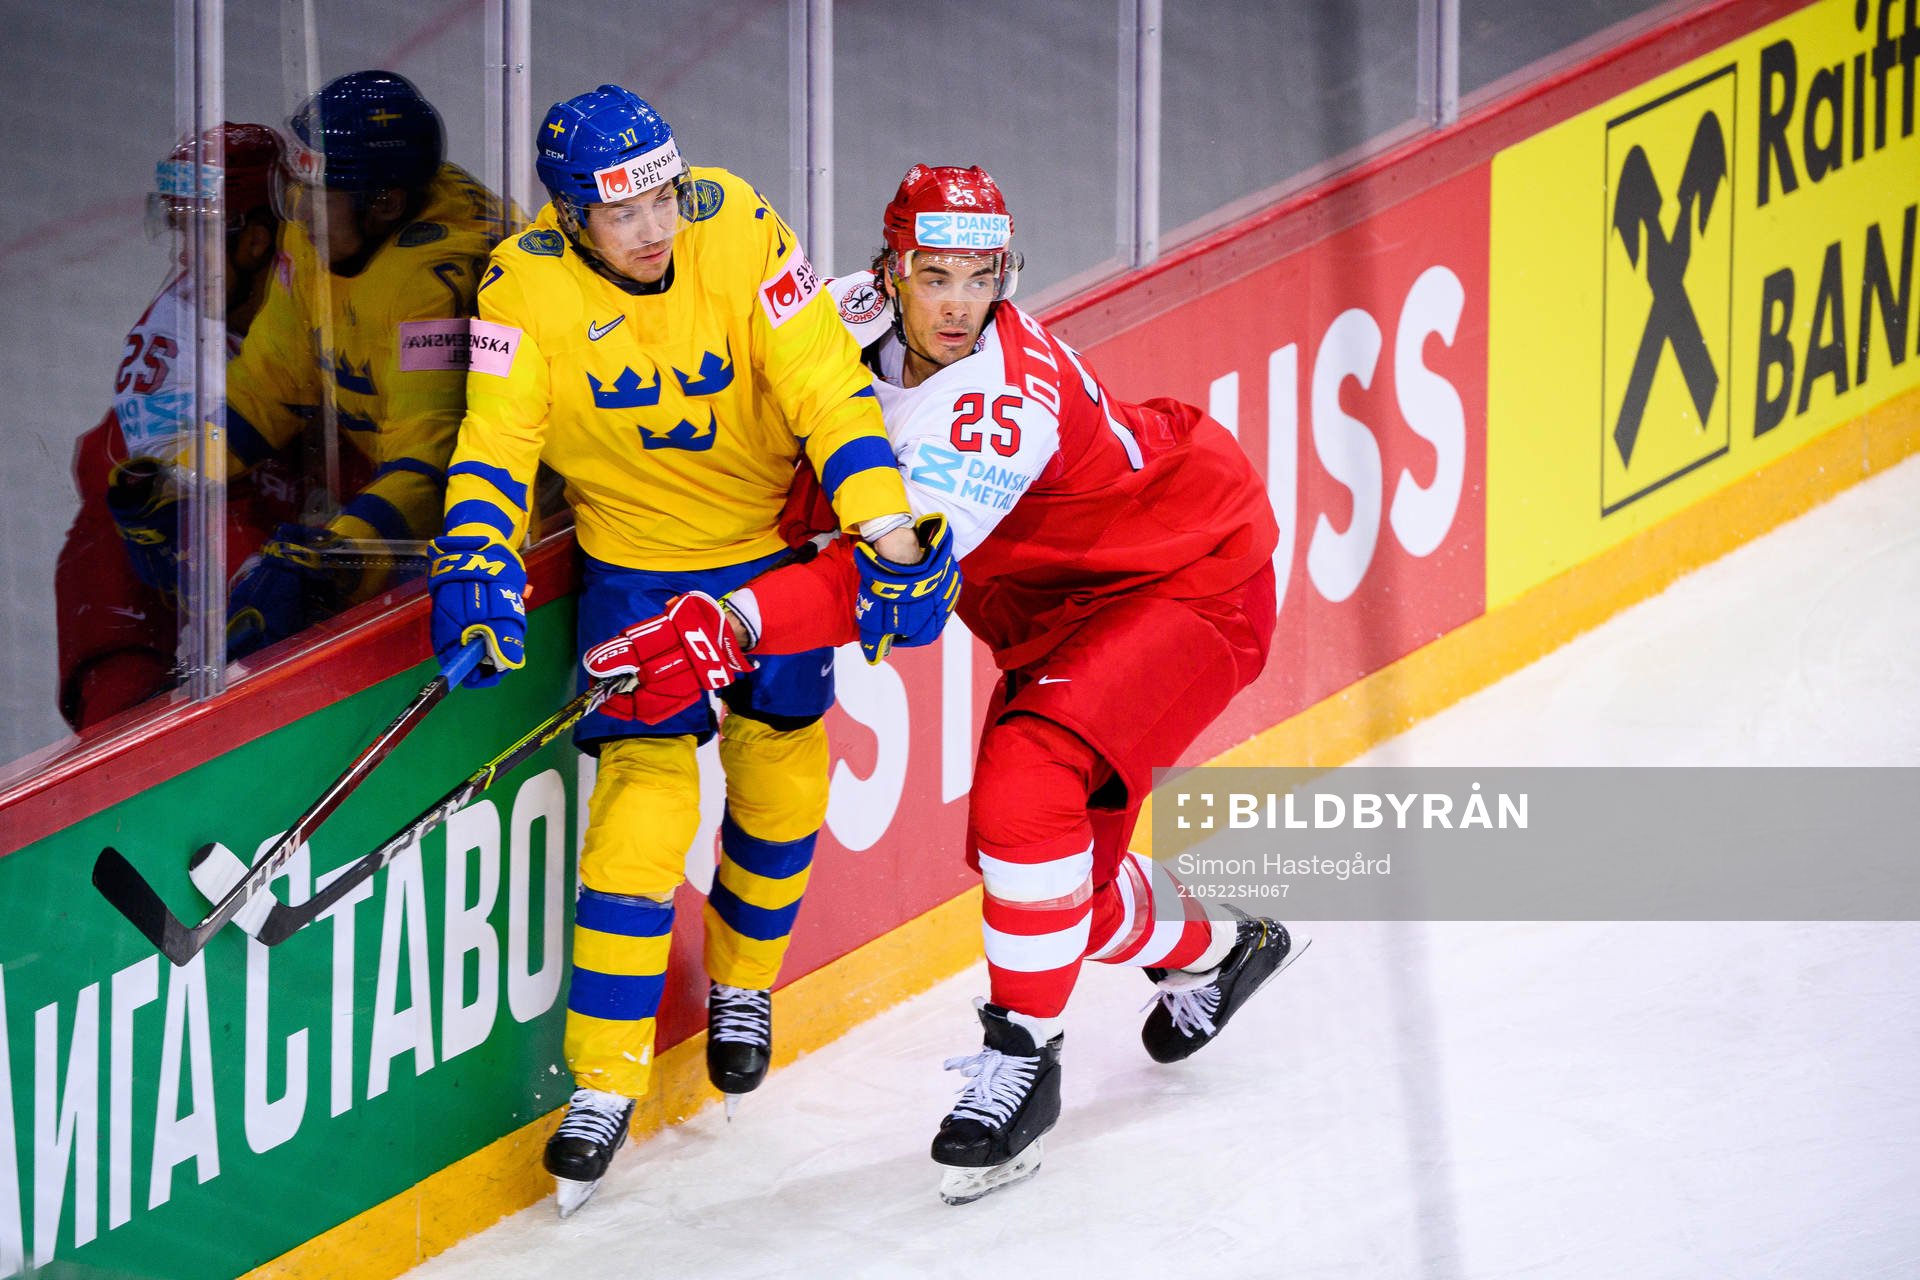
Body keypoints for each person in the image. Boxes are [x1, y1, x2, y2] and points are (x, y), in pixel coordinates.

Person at [610, 164, 1297, 1204]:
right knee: (1062, 891)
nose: (959, 305)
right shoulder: (845, 310)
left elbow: (889, 574)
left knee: (1026, 784)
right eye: (935, 276)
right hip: (1065, 606)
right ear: (889, 268)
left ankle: (1022, 1059)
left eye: (983, 278)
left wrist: (736, 620)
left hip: (1187, 576)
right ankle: (1223, 943)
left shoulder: (995, 412)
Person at [424, 85, 951, 1216]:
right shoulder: (521, 288)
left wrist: (887, 526)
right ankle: (604, 1085)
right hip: (637, 570)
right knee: (637, 822)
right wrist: (478, 565)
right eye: (625, 212)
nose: (656, 225)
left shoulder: (743, 223)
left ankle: (744, 985)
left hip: (771, 550)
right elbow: (497, 441)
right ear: (571, 216)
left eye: (663, 195)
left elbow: (825, 387)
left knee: (783, 777)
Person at [205, 69, 506, 658]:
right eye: (293, 187)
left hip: (511, 539)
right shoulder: (326, 234)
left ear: (384, 203)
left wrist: (337, 558)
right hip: (403, 507)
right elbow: (272, 382)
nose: (295, 211)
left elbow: (435, 459)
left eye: (314, 193)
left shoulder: (433, 282)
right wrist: (181, 476)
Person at [54, 123, 309, 729]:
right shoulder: (172, 348)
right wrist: (260, 590)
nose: (184, 258)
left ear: (255, 240)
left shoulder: (329, 281)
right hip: (188, 554)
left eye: (196, 234)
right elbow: (192, 513)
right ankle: (120, 716)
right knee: (110, 526)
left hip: (300, 506)